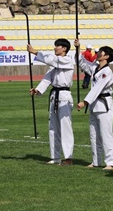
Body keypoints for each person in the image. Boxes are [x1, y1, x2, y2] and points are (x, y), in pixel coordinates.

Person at [28, 38, 75, 166]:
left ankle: (68, 157)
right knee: (53, 127)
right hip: (55, 95)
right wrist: (37, 90)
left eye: (58, 46)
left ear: (64, 48)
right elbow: (47, 79)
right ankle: (55, 156)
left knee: (65, 127)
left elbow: (52, 60)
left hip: (64, 96)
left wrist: (35, 52)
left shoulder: (67, 60)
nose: (55, 48)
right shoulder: (55, 65)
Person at [74, 39, 113, 170]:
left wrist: (85, 102)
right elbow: (81, 63)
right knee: (94, 135)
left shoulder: (107, 71)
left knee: (106, 133)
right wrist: (78, 48)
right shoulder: (94, 68)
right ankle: (96, 161)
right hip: (94, 105)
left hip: (104, 105)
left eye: (101, 52)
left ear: (106, 56)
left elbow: (98, 87)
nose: (98, 53)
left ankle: (110, 162)